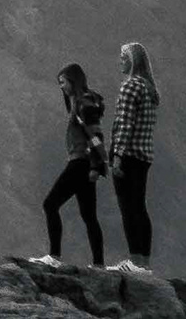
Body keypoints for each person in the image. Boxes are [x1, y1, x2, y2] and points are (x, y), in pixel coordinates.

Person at [39, 63, 108, 264]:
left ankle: (54, 256)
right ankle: (98, 263)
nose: (61, 87)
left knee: (50, 204)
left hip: (80, 162)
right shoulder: (82, 103)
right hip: (84, 162)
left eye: (63, 82)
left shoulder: (83, 104)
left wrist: (95, 165)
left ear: (73, 81)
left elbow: (95, 135)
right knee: (89, 215)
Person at [106, 43, 159, 269]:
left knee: (128, 209)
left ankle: (134, 260)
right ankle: (144, 262)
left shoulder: (129, 86)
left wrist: (117, 155)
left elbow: (124, 124)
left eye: (123, 57)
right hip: (144, 155)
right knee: (140, 207)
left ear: (133, 61)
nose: (120, 61)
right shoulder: (149, 89)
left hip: (128, 154)